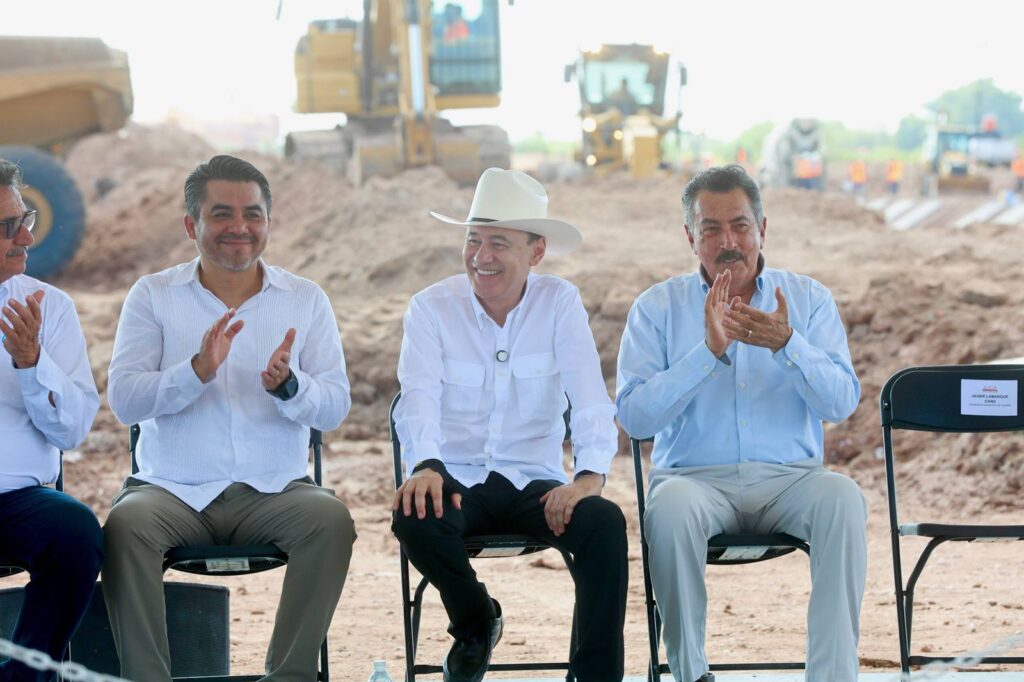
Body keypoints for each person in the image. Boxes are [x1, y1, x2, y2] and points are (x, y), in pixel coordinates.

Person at [103, 155, 356, 682]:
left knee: (330, 521)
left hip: (274, 492)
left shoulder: (305, 299)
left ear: (268, 222)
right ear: (191, 224)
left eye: (252, 214)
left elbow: (334, 407)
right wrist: (195, 371)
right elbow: (124, 400)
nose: (239, 227)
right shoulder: (153, 296)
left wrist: (290, 387)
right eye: (222, 214)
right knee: (125, 527)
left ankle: (289, 678)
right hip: (171, 492)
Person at [616, 165, 865, 682]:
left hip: (790, 481)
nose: (727, 242)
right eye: (711, 229)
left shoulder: (809, 299)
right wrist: (706, 353)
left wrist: (788, 344)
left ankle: (832, 677)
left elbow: (840, 403)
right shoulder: (656, 308)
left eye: (740, 226)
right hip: (694, 481)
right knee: (669, 509)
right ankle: (690, 674)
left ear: (763, 229)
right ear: (691, 238)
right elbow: (635, 419)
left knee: (842, 497)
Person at [392, 168, 627, 682]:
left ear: (535, 252)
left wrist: (589, 478)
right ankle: (477, 623)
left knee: (605, 524)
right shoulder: (430, 308)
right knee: (414, 514)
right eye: (474, 240)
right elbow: (418, 397)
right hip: (455, 478)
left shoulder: (559, 302)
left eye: (499, 242)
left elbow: (590, 397)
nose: (482, 255)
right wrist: (425, 464)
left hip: (534, 483)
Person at [0, 157, 102, 681]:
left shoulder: (49, 307)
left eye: (26, 220)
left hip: (16, 500)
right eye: (8, 227)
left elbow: (73, 429)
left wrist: (31, 363)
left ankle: (23, 678)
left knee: (74, 532)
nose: (26, 238)